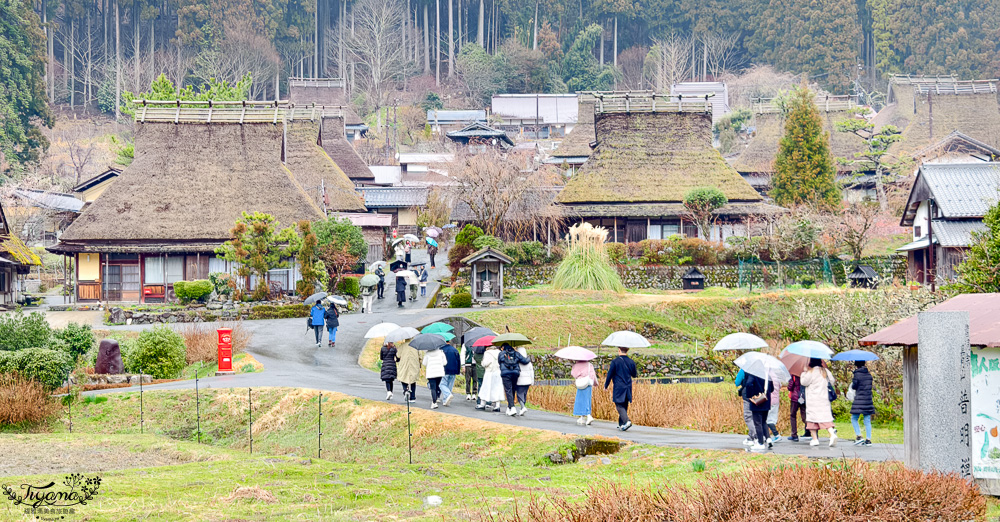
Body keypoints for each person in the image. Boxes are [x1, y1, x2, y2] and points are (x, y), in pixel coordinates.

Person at [800, 358, 838, 447]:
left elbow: (803, 382)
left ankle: (815, 439)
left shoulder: (810, 372)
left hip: (813, 400)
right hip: (824, 400)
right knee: (826, 419)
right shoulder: (825, 371)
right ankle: (832, 434)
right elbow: (832, 381)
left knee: (812, 421)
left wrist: (803, 373)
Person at [604, 347, 638, 431]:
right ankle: (621, 424)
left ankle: (627, 421)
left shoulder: (615, 362)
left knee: (619, 404)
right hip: (628, 386)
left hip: (619, 386)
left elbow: (610, 374)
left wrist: (606, 385)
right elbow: (634, 374)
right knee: (624, 404)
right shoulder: (631, 362)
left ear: (619, 350)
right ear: (627, 351)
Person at [743, 372, 774, 451]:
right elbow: (772, 388)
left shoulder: (753, 373)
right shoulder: (767, 374)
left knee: (757, 423)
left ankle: (760, 443)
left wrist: (750, 395)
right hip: (766, 401)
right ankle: (768, 438)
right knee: (764, 421)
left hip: (757, 402)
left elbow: (749, 384)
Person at [498, 343, 530, 416]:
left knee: (508, 390)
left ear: (503, 347)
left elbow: (499, 362)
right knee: (512, 389)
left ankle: (512, 407)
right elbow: (524, 361)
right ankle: (510, 407)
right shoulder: (516, 353)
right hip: (515, 373)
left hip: (505, 374)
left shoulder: (501, 354)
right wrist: (529, 358)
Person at [850, 360, 875, 446]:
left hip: (859, 399)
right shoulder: (869, 375)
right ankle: (868, 439)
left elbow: (854, 386)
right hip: (868, 400)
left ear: (856, 365)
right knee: (867, 420)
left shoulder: (857, 375)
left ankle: (859, 436)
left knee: (854, 418)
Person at [477, 344, 504, 411]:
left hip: (489, 372)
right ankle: (497, 406)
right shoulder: (499, 352)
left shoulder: (487, 353)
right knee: (497, 388)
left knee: (485, 388)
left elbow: (485, 363)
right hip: (497, 372)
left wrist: (482, 362)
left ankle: (482, 404)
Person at [734, 368, 757, 446]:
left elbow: (737, 382)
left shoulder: (744, 370)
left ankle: (754, 436)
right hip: (758, 396)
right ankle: (753, 436)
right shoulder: (760, 370)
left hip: (747, 396)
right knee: (756, 416)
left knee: (748, 416)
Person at [571, 359, 597, 426]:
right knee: (587, 400)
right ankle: (583, 417)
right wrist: (595, 383)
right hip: (588, 384)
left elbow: (574, 374)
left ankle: (588, 416)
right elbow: (593, 375)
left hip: (581, 384)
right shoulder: (589, 365)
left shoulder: (577, 365)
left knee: (580, 400)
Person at [788, 375, 808, 442]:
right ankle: (812, 430)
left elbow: (790, 387)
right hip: (804, 396)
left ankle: (794, 435)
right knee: (804, 416)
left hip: (795, 398)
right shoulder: (805, 374)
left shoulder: (794, 375)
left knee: (793, 415)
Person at [440, 341, 461, 406]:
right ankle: (446, 400)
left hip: (445, 370)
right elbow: (458, 361)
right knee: (450, 385)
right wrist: (458, 371)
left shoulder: (441, 350)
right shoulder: (455, 350)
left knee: (442, 384)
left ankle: (447, 395)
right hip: (453, 370)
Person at [514, 346, 533, 416]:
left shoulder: (517, 361)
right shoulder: (529, 362)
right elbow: (532, 372)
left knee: (519, 394)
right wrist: (532, 380)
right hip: (527, 381)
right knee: (524, 394)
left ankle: (522, 407)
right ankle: (523, 408)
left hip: (520, 380)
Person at [766, 373, 782, 443]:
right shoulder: (776, 376)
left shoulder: (767, 376)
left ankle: (776, 434)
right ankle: (768, 435)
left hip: (769, 400)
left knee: (767, 419)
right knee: (772, 418)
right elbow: (780, 386)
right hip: (776, 400)